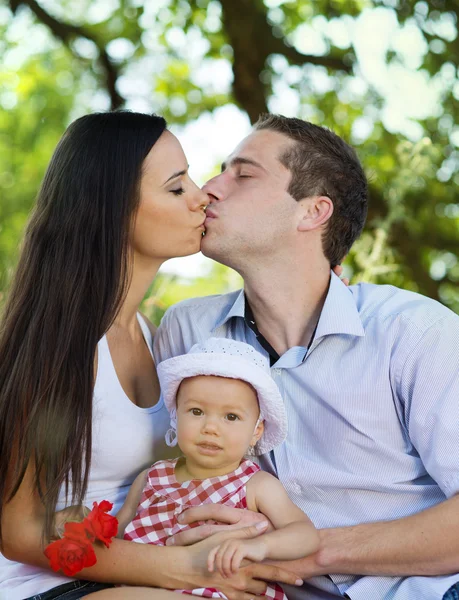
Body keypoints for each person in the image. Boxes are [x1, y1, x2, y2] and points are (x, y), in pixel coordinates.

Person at [153, 113, 459, 600]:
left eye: (243, 173)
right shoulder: (187, 332)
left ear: (313, 212)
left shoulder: (412, 330)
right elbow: (167, 482)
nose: (209, 187)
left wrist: (312, 551)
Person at [0, 111, 303, 600]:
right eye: (176, 186)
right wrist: (184, 567)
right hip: (58, 586)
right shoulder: (62, 345)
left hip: (152, 579)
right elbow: (17, 533)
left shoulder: (156, 337)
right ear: (115, 208)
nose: (201, 195)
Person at [106, 337, 319, 600]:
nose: (210, 427)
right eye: (196, 411)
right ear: (175, 415)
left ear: (256, 431)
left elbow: (305, 534)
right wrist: (83, 526)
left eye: (231, 417)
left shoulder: (254, 485)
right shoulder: (151, 479)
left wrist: (262, 546)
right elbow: (113, 535)